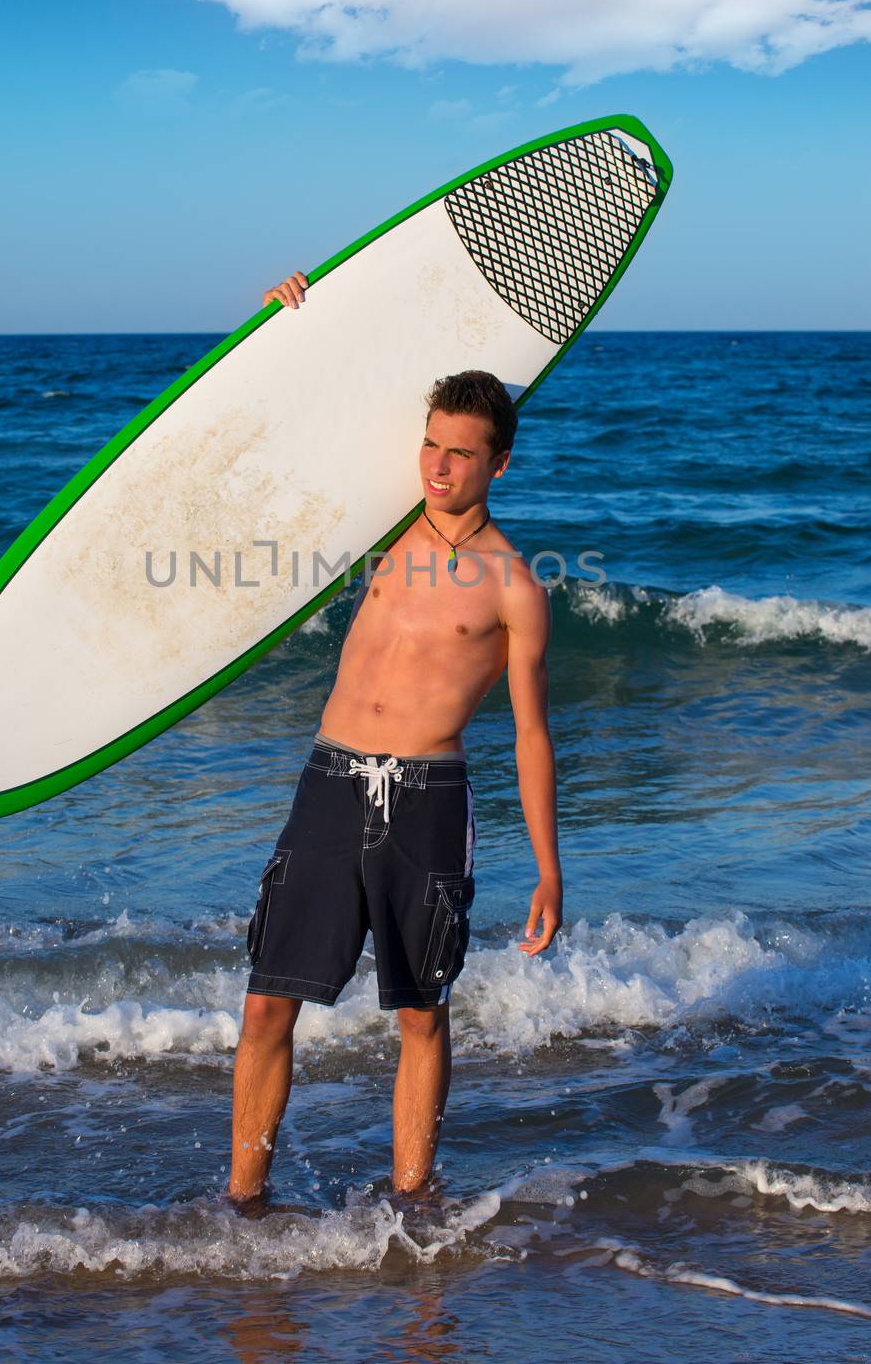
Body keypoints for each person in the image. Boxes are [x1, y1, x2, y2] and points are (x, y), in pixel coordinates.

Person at [229, 270, 562, 1201]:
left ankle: (413, 1207)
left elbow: (532, 734)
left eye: (459, 454)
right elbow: (271, 440)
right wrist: (284, 324)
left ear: (499, 465)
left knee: (420, 1015)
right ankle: (242, 1204)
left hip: (426, 798)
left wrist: (547, 867)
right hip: (329, 782)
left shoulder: (512, 587)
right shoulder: (379, 524)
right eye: (430, 446)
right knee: (265, 1004)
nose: (437, 467)